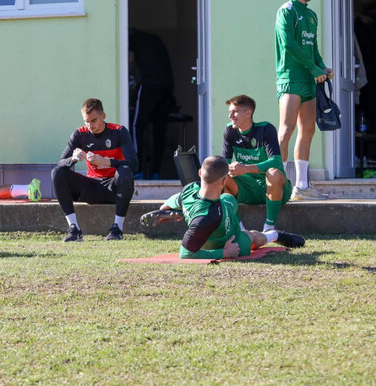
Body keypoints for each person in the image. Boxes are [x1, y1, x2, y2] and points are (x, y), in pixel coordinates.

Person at [141, 156, 305, 259]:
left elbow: (167, 205)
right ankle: (274, 235)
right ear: (225, 181)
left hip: (224, 206)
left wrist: (168, 212)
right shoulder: (206, 217)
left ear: (200, 173)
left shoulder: (189, 189)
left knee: (228, 198)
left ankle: (240, 224)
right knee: (254, 238)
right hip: (226, 239)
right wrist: (224, 254)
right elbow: (185, 254)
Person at [276, 0, 334, 200]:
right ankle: (278, 183)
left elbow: (313, 47)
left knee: (308, 130)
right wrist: (313, 69)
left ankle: (302, 186)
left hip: (310, 79)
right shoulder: (286, 11)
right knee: (286, 130)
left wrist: (322, 67)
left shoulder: (311, 15)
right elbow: (288, 44)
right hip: (290, 78)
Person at [51, 98, 137, 242]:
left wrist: (108, 162)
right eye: (86, 121)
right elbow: (59, 164)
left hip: (113, 188)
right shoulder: (79, 135)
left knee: (125, 171)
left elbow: (134, 164)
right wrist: (73, 159)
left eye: (94, 120)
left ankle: (117, 229)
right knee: (57, 172)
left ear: (103, 116)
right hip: (90, 187)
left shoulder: (119, 132)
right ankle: (74, 229)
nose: (90, 125)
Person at [222, 95, 292, 232]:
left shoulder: (266, 129)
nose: (230, 116)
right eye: (229, 112)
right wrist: (230, 168)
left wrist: (245, 168)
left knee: (273, 173)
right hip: (247, 188)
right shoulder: (230, 131)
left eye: (234, 111)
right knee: (219, 177)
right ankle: (240, 229)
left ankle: (269, 227)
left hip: (274, 187)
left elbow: (276, 162)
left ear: (248, 113)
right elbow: (224, 163)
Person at [129, 28, 175, 179]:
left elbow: (129, 61)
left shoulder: (132, 38)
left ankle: (138, 170)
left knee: (137, 127)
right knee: (159, 130)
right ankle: (156, 172)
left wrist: (127, 80)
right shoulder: (155, 37)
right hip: (167, 86)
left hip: (150, 85)